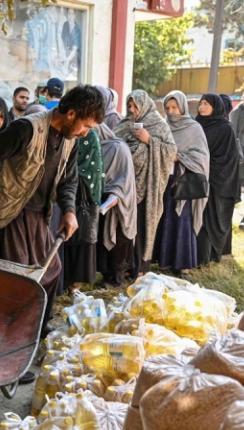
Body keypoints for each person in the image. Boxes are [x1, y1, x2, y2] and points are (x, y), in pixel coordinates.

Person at [0, 85, 103, 338]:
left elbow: (68, 181)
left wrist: (69, 211)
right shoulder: (25, 129)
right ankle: (7, 336)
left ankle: (37, 325)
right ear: (71, 114)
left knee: (51, 271)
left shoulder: (70, 141)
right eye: (86, 125)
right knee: (17, 278)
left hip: (38, 215)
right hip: (8, 213)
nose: (85, 132)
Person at [113, 89, 177, 278]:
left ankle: (140, 267)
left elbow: (171, 150)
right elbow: (113, 144)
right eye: (129, 106)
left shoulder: (158, 124)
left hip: (148, 184)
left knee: (143, 225)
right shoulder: (124, 124)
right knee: (123, 226)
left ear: (145, 105)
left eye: (136, 106)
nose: (133, 110)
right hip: (126, 184)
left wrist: (149, 140)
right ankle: (124, 266)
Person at [155, 91, 210, 276]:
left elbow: (202, 157)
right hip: (165, 181)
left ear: (183, 107)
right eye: (168, 108)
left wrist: (179, 157)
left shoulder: (194, 128)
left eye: (174, 107)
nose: (171, 111)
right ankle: (164, 261)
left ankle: (183, 263)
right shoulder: (163, 127)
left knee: (182, 221)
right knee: (166, 219)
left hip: (184, 183)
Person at [195, 94, 241, 267]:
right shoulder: (196, 125)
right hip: (197, 180)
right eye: (200, 103)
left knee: (210, 220)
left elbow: (229, 159)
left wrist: (205, 165)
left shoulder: (225, 128)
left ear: (215, 106)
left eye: (206, 103)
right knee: (198, 218)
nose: (201, 107)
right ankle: (195, 257)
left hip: (218, 183)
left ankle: (206, 258)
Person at [94, 123, 137, 288]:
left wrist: (115, 194)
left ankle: (117, 280)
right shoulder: (98, 146)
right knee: (104, 242)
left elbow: (125, 177)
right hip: (102, 197)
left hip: (119, 201)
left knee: (119, 243)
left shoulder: (118, 148)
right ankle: (107, 276)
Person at [61, 126, 102, 293]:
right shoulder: (64, 131)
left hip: (83, 193)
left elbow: (94, 169)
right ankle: (63, 279)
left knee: (79, 237)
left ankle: (74, 283)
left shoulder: (90, 136)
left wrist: (69, 172)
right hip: (63, 190)